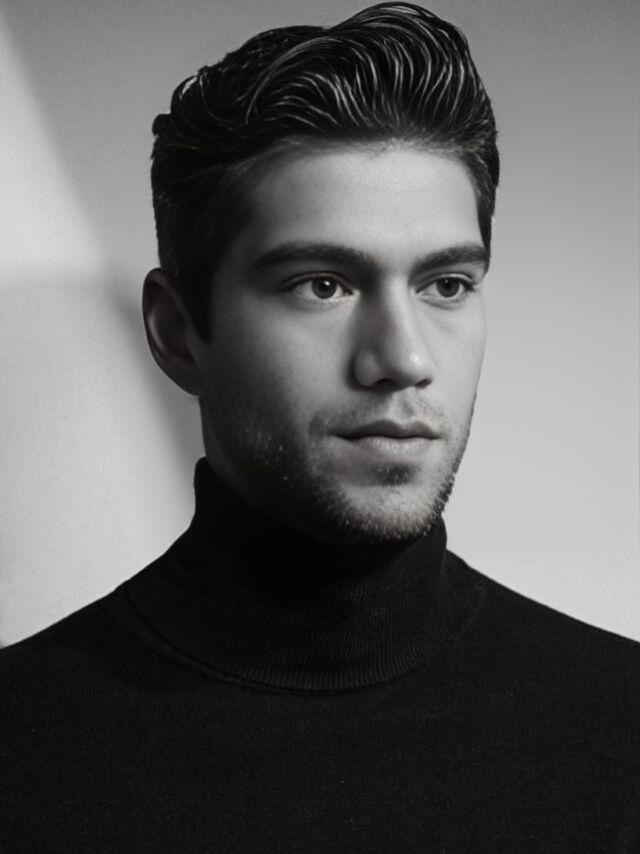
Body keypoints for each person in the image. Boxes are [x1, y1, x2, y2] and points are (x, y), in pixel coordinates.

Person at [1, 3, 639, 850]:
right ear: (177, 332)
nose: (403, 358)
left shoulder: (620, 725)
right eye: (322, 285)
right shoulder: (23, 748)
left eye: (446, 285)